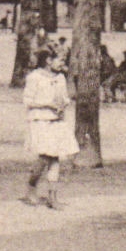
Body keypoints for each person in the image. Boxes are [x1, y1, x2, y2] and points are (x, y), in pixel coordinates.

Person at [22, 49, 78, 209]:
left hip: (57, 120)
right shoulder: (34, 77)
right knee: (45, 156)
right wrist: (47, 104)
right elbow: (27, 101)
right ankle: (31, 186)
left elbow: (65, 97)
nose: (63, 63)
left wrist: (63, 104)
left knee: (55, 157)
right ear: (48, 60)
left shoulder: (60, 77)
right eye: (60, 60)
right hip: (40, 120)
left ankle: (52, 197)